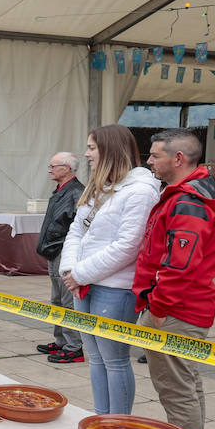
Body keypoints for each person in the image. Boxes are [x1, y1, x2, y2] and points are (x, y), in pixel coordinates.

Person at [132, 128, 215, 429]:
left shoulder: (189, 202)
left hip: (177, 311)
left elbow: (180, 264)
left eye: (154, 155)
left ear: (178, 158)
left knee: (176, 390)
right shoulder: (186, 196)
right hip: (181, 307)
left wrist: (159, 309)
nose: (149, 161)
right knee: (186, 384)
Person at [60, 126, 160, 413]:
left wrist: (79, 274)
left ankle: (117, 426)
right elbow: (75, 231)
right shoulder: (99, 188)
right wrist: (70, 272)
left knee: (114, 360)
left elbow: (128, 246)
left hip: (115, 290)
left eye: (92, 147)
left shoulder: (140, 191)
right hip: (84, 284)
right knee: (95, 357)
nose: (87, 153)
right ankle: (101, 419)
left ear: (110, 150)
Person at [34, 152, 85, 362]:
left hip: (64, 251)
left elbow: (78, 226)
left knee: (67, 300)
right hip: (55, 250)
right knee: (57, 299)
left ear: (66, 168)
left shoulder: (76, 192)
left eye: (53, 166)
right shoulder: (62, 190)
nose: (49, 170)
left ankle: (74, 346)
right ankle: (62, 341)